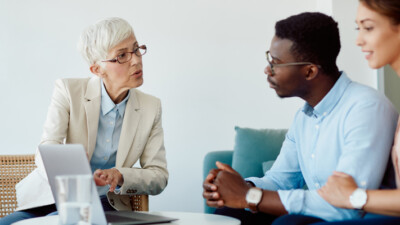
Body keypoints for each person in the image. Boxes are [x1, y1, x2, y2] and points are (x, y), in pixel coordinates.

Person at [202, 12, 399, 225]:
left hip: (363, 217)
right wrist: (239, 187)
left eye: (276, 63)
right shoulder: (304, 117)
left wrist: (249, 196)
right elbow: (281, 180)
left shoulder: (365, 107)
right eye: (269, 58)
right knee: (232, 214)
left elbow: (347, 205)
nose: (268, 70)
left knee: (287, 223)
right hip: (325, 213)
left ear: (309, 71)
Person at [0, 17, 168, 225]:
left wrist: (120, 175)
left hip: (105, 202)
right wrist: (72, 171)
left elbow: (158, 175)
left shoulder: (151, 107)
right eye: (122, 55)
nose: (135, 60)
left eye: (136, 49)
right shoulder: (68, 91)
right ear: (97, 70)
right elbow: (47, 146)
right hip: (50, 198)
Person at [300, 1, 400, 224]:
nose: (358, 40)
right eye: (358, 28)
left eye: (368, 27)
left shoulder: (369, 105)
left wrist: (354, 196)